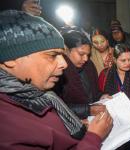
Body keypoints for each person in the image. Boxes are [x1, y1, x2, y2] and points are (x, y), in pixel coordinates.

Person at [0, 10, 112, 149]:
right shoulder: (7, 127)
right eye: (53, 55)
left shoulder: (36, 93)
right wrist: (93, 138)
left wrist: (68, 126)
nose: (64, 64)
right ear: (11, 59)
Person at [53, 30, 110, 120]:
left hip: (93, 118)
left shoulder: (89, 66)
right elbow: (56, 107)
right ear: (66, 50)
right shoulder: (57, 72)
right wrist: (87, 110)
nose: (85, 59)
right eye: (81, 54)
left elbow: (94, 92)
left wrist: (102, 96)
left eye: (88, 54)